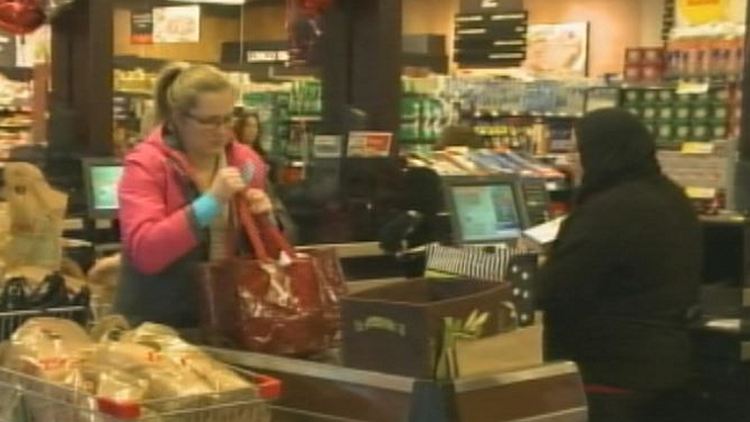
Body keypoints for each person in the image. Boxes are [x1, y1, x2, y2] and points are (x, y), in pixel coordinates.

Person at [534, 108, 701, 422]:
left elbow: (554, 290)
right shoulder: (670, 196)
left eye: (576, 150)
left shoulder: (609, 210)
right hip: (663, 363)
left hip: (607, 371)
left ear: (599, 152)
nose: (570, 160)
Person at [115, 63, 273, 328]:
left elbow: (269, 251)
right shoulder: (147, 164)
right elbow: (145, 251)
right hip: (158, 325)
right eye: (209, 121)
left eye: (228, 118)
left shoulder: (246, 162)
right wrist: (210, 203)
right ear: (178, 118)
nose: (222, 131)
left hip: (230, 319)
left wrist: (266, 219)